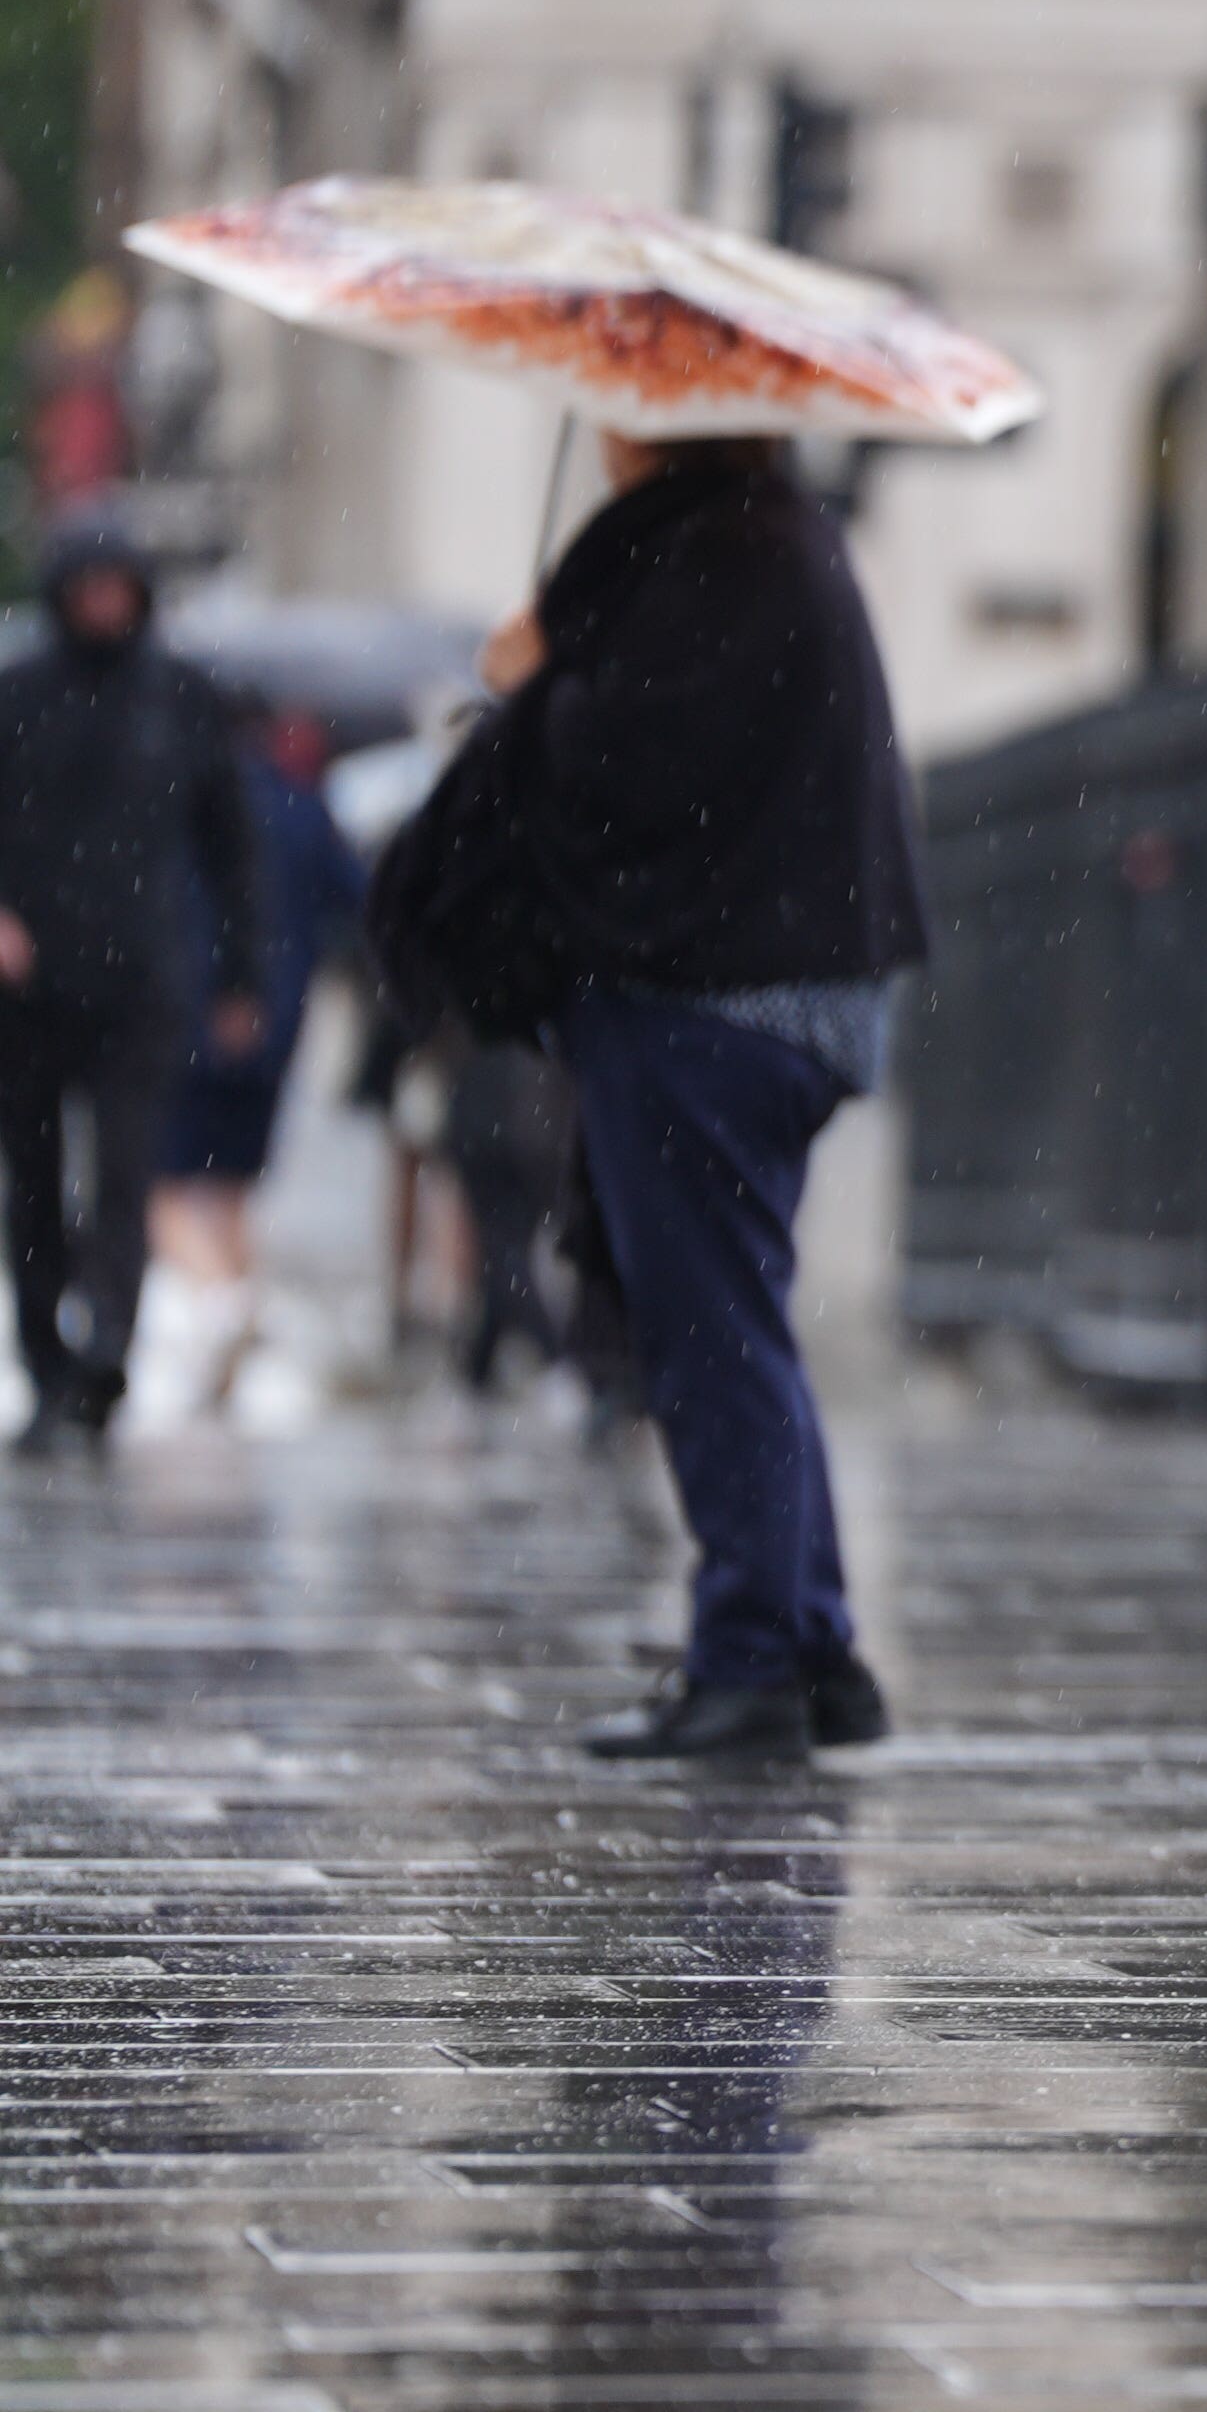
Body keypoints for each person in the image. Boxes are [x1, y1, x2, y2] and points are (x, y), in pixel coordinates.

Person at [420, 432, 923, 1761]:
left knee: (710, 1336)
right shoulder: (763, 537)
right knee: (736, 1315)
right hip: (773, 990)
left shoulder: (724, 549)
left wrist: (529, 686)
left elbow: (632, 767)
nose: (604, 428)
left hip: (716, 1001)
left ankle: (751, 1660)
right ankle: (809, 1645)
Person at [0, 521, 264, 1450]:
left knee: (124, 1173)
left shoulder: (181, 697)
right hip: (27, 990)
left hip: (142, 977)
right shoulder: (18, 693)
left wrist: (242, 974)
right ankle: (43, 1362)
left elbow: (231, 846)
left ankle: (108, 1347)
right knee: (31, 1184)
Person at [145, 701, 370, 1416]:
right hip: (277, 1018)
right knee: (236, 1181)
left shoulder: (189, 805)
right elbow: (355, 906)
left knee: (166, 1178)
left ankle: (222, 1300)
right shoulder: (304, 810)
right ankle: (232, 1322)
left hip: (193, 1010)